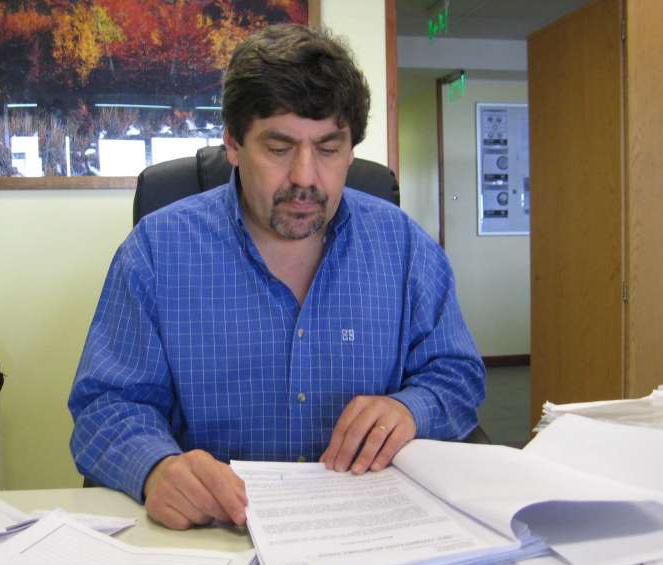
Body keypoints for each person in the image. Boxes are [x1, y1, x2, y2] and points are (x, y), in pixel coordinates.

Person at [68, 24, 484, 531]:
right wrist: (156, 467)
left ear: (351, 149)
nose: (305, 177)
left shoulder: (405, 247)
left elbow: (457, 375)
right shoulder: (156, 252)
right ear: (233, 143)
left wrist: (412, 409)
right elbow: (106, 405)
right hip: (215, 536)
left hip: (368, 532)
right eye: (280, 148)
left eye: (328, 148)